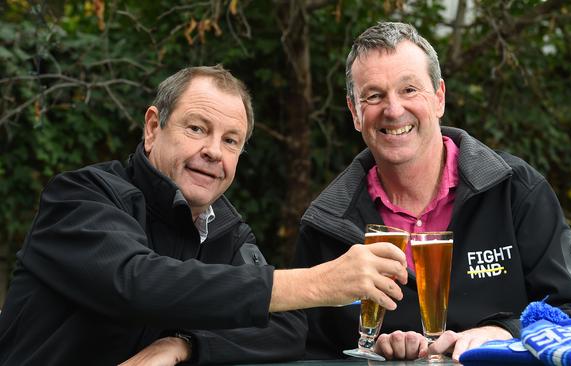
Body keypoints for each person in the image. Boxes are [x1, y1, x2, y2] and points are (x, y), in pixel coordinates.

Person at [0, 65, 408, 366]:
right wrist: (320, 281)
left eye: (231, 141)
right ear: (153, 127)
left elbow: (285, 328)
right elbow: (136, 282)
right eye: (197, 129)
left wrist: (184, 344)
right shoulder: (80, 197)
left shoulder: (225, 231)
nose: (214, 151)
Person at [293, 21, 571, 362]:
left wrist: (503, 332)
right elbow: (305, 347)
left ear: (439, 97)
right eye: (374, 95)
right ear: (355, 112)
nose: (394, 109)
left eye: (409, 89)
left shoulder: (515, 191)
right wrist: (375, 352)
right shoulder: (327, 224)